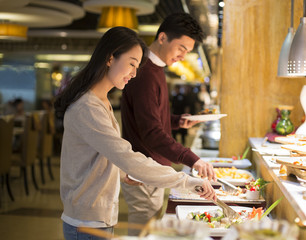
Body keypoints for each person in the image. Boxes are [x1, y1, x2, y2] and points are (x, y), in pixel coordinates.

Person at [54, 26, 216, 240]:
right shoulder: (88, 108)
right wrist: (185, 181)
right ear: (110, 58)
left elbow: (102, 153)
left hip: (97, 216)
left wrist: (124, 174)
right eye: (131, 64)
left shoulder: (101, 102)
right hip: (86, 221)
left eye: (137, 67)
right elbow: (126, 155)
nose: (133, 73)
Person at [120, 13, 216, 235]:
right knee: (144, 232)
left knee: (150, 227)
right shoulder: (144, 73)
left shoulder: (157, 68)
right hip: (142, 170)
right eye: (181, 48)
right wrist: (193, 159)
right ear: (162, 37)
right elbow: (151, 132)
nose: (183, 56)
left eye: (188, 51)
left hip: (153, 168)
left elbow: (153, 119)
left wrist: (178, 121)